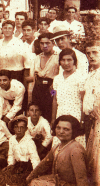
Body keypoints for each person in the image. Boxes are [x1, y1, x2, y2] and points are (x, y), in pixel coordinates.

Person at [26, 115, 89, 186]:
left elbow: (81, 178)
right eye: (58, 128)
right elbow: (43, 165)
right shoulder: (56, 147)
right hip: (58, 182)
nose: (61, 132)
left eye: (66, 129)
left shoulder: (75, 150)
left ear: (74, 131)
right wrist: (29, 178)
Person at [0, 20, 30, 85]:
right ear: (2, 29)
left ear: (13, 30)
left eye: (10, 28)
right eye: (5, 28)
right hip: (1, 74)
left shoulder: (19, 42)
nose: (7, 30)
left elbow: (26, 61)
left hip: (16, 73)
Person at [30, 33, 59, 122]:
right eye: (42, 43)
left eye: (47, 43)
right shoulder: (37, 58)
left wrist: (54, 88)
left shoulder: (58, 57)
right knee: (38, 111)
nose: (44, 46)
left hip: (52, 88)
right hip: (38, 87)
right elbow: (33, 77)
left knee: (51, 110)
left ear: (53, 43)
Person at [83, 40, 100, 184]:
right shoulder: (92, 73)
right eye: (88, 53)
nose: (91, 56)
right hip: (92, 119)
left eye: (95, 52)